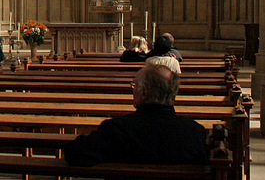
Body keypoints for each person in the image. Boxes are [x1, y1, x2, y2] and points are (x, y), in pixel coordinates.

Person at [65, 63, 209, 167]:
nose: (133, 91)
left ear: (144, 93)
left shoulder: (116, 130)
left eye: (134, 86)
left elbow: (75, 154)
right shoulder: (196, 134)